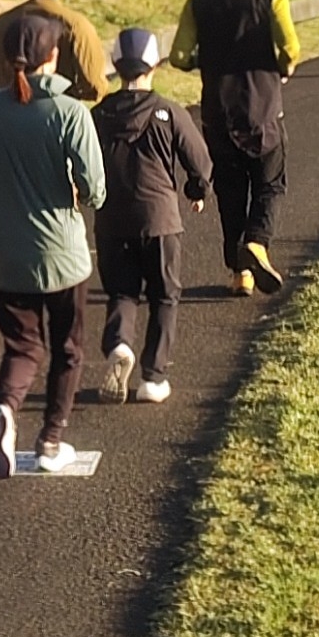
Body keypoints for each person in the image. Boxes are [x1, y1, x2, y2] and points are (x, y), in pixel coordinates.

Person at [0, 12, 108, 478]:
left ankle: (4, 410)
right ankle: (51, 440)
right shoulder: (69, 111)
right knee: (68, 349)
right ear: (54, 55)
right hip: (63, 254)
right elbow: (96, 189)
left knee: (22, 348)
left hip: (8, 256)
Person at [169, 0, 301, 296]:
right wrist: (282, 68)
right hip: (263, 110)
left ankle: (240, 273)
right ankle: (257, 242)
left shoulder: (199, 1)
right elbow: (290, 50)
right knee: (270, 184)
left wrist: (204, 60)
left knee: (230, 193)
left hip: (218, 114)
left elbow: (179, 56)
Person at [92, 28, 213, 405]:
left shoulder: (98, 115)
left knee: (122, 291)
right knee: (164, 295)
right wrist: (197, 190)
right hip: (159, 218)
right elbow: (200, 162)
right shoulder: (170, 112)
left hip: (111, 218)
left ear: (116, 65)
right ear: (155, 65)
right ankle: (153, 378)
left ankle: (119, 343)